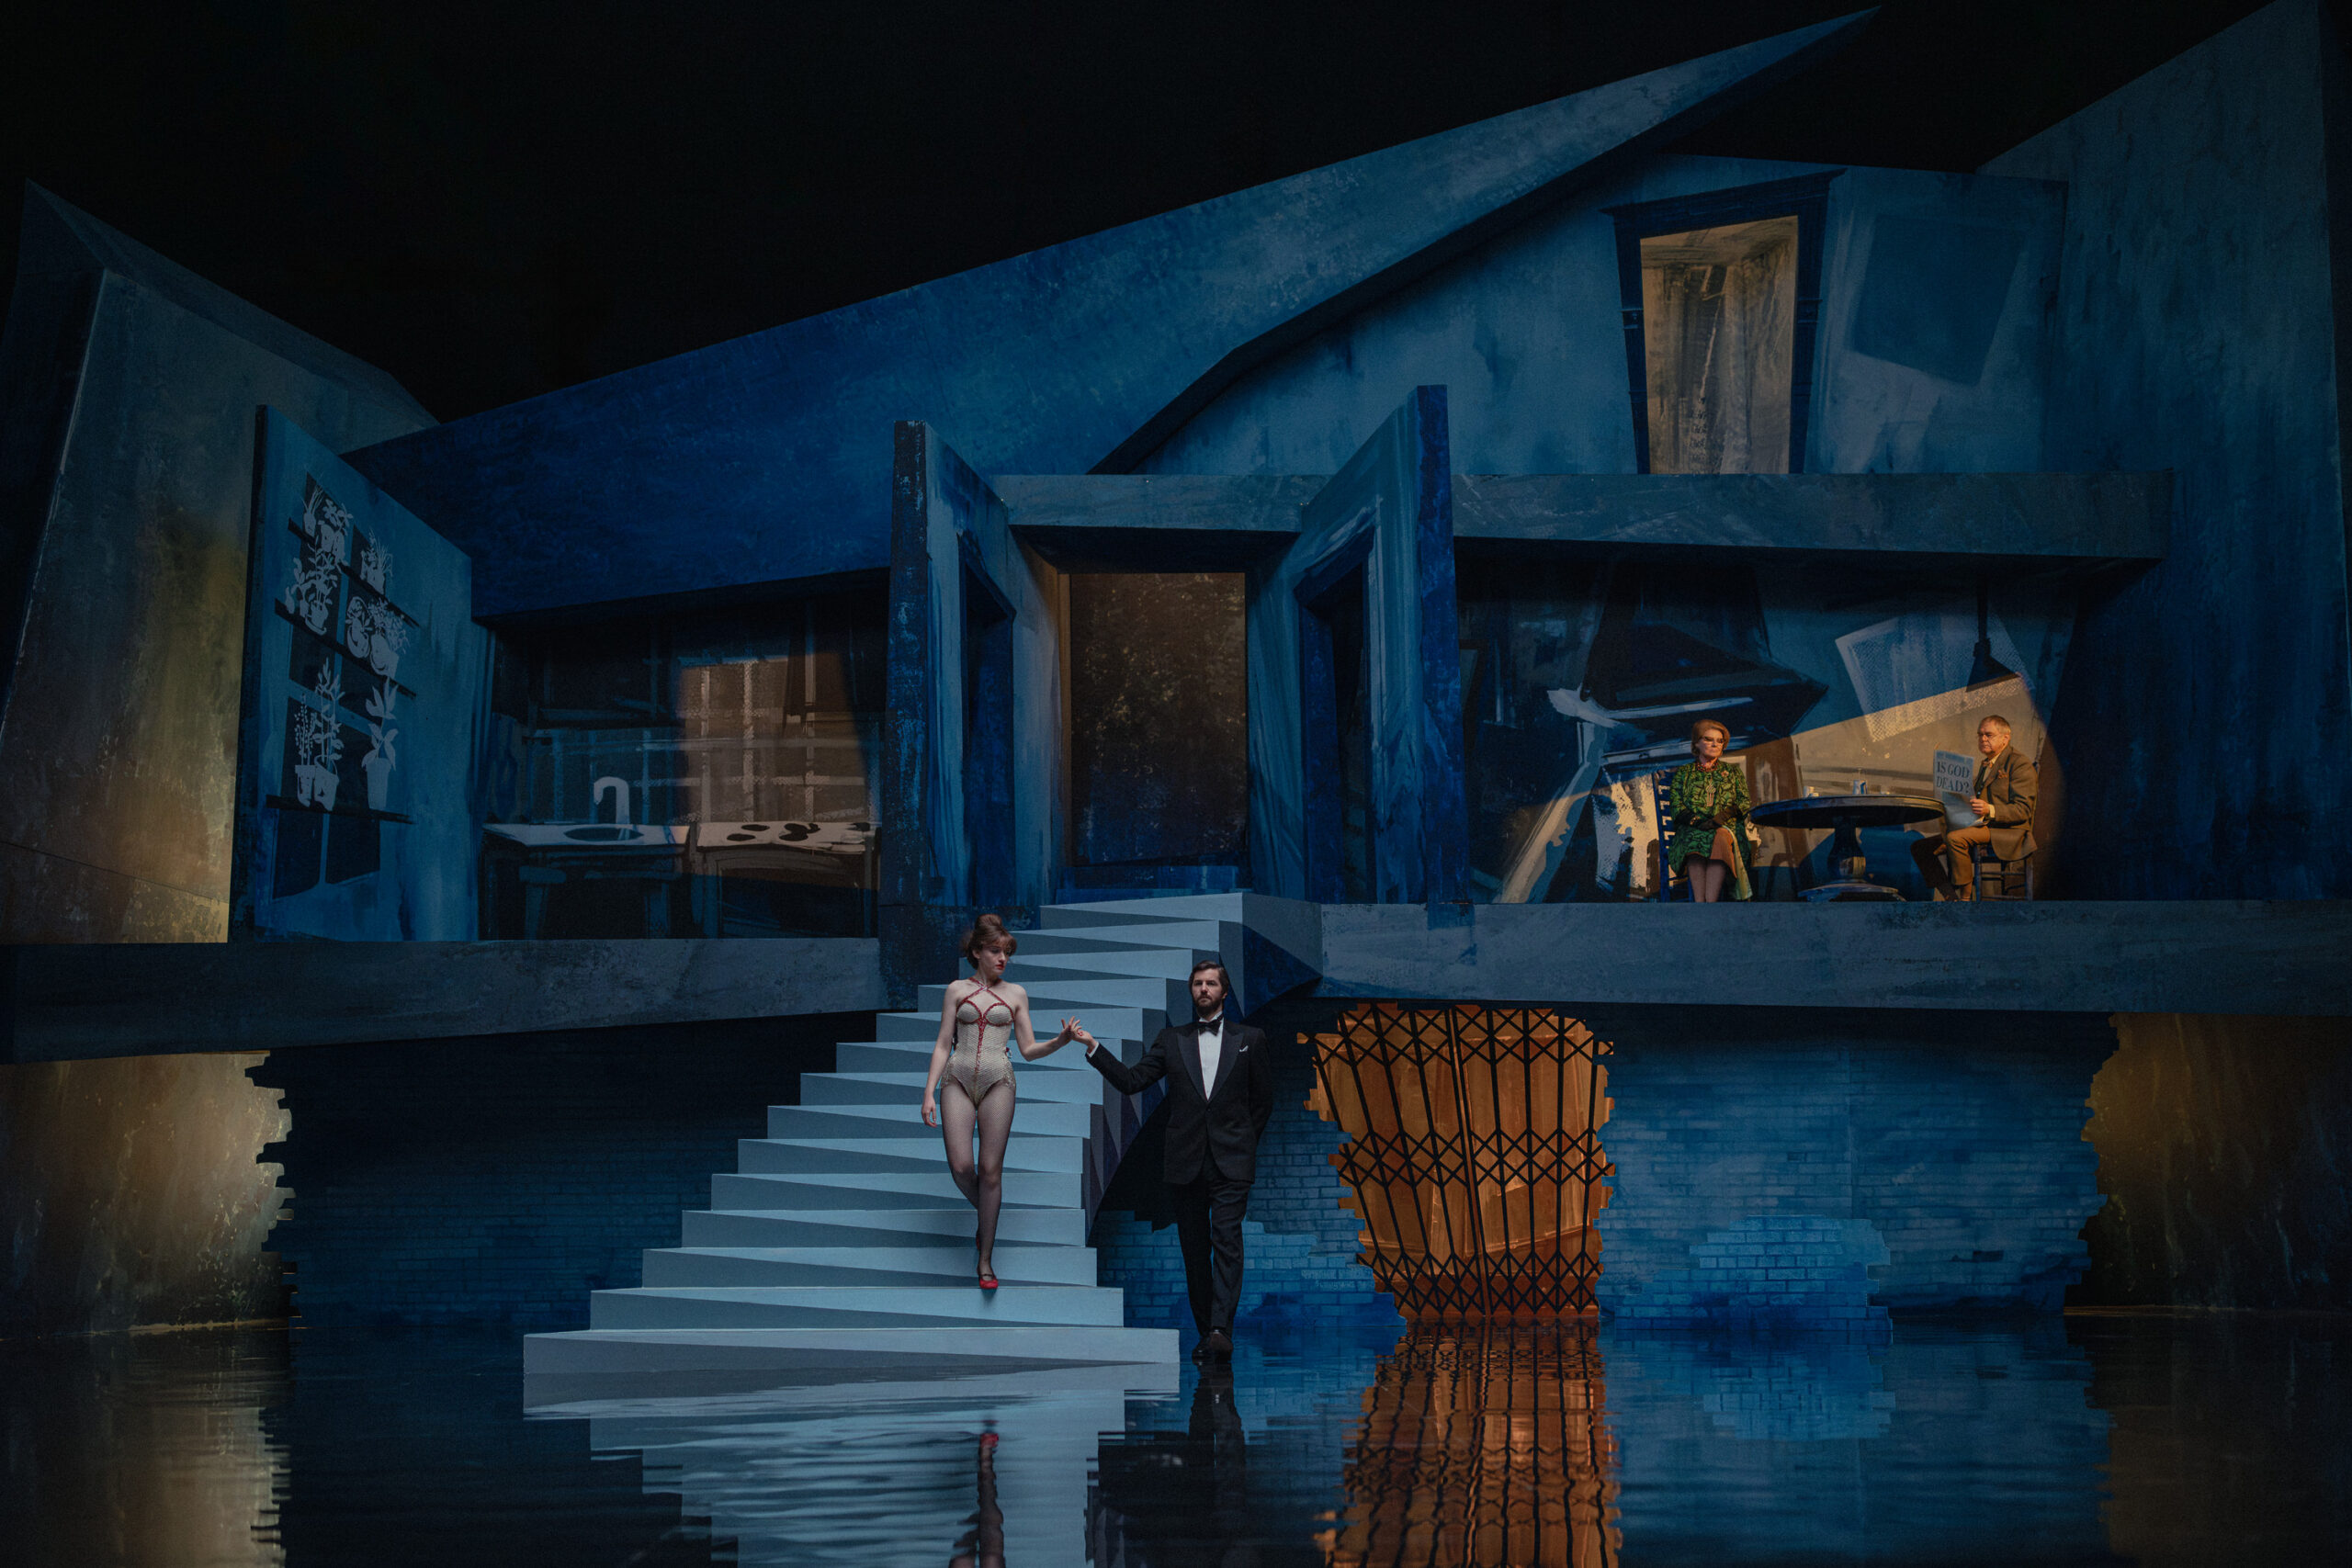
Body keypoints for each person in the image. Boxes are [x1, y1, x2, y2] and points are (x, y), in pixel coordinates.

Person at [1072, 959, 1272, 1362]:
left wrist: (1243, 1143)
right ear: (1191, 991)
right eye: (1197, 983)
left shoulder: (1251, 1038)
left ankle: (1220, 1329)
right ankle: (1207, 1332)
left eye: (1211, 983)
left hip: (1232, 1163)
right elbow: (1131, 1081)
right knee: (1194, 1251)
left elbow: (1263, 1101)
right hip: (1186, 1162)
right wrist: (1094, 1047)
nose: (1203, 989)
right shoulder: (1171, 1039)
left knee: (1228, 1243)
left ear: (1224, 992)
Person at [921, 913, 1083, 1289]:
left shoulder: (1016, 994)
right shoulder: (955, 990)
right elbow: (944, 1043)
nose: (1002, 958)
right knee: (962, 1166)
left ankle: (986, 1260)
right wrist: (928, 1091)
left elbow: (1027, 1049)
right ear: (976, 951)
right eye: (994, 951)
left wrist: (1060, 1042)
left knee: (990, 1170)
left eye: (1006, 952)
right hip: (957, 1078)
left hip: (999, 1081)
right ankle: (988, 1219)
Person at [1911, 714, 2038, 898]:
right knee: (1920, 847)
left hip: (2007, 830)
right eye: (1980, 735)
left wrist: (1990, 809)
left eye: (1988, 735)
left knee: (1955, 838)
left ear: (2005, 738)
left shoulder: (2020, 764)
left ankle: (1965, 898)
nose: (1983, 739)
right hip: (1980, 826)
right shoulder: (1986, 765)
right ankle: (1950, 897)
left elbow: (2023, 810)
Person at [1665, 717, 1755, 901]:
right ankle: (1700, 902)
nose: (1715, 744)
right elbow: (1676, 804)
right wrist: (1697, 821)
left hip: (1725, 826)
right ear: (1696, 743)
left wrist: (1720, 819)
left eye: (1719, 741)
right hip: (1692, 828)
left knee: (1720, 836)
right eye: (1708, 739)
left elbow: (1744, 801)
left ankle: (1710, 903)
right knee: (1694, 841)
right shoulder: (1684, 773)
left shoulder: (1733, 772)